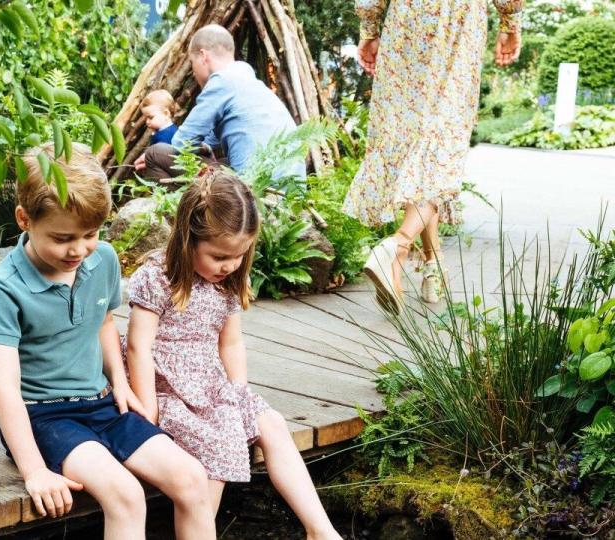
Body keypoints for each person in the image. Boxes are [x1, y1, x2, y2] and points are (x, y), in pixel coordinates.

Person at [0, 142, 216, 540]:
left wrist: (121, 383)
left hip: (103, 404)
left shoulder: (102, 259)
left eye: (89, 234)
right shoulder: (5, 287)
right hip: (45, 416)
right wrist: (35, 469)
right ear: (24, 219)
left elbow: (104, 321)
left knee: (193, 477)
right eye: (62, 238)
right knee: (125, 494)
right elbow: (4, 388)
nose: (78, 249)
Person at [124, 167, 342, 540]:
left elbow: (231, 343)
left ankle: (320, 531)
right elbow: (137, 346)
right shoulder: (158, 277)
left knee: (270, 423)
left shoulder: (226, 283)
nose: (230, 265)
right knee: (215, 447)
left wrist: (237, 390)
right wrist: (148, 411)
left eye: (239, 256)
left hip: (210, 384)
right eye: (219, 256)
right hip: (166, 389)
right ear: (187, 238)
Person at [346, 0, 523, 311]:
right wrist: (510, 21)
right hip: (459, 20)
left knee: (420, 144)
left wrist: (370, 28)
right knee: (443, 143)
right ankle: (397, 248)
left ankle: (433, 264)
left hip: (408, 21)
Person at [133, 24, 298, 179]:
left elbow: (181, 143)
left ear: (203, 57)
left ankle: (179, 208)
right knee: (222, 163)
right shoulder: (244, 77)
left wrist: (149, 155)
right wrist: (205, 148)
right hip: (285, 186)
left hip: (253, 189)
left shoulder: (221, 81)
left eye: (192, 63)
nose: (194, 71)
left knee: (155, 154)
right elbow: (210, 139)